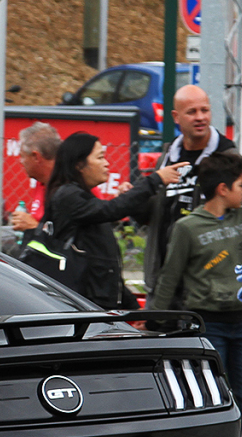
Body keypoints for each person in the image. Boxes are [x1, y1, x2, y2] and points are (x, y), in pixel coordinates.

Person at [149, 151, 242, 427]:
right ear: (222, 189)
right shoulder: (187, 228)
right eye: (241, 185)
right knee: (213, 398)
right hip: (207, 325)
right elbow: (169, 277)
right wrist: (154, 321)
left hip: (241, 323)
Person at [40, 132, 183, 308]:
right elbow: (110, 210)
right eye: (100, 157)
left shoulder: (81, 197)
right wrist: (155, 180)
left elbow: (104, 266)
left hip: (95, 302)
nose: (107, 164)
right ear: (79, 164)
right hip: (83, 305)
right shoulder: (68, 196)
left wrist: (132, 306)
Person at [143, 85, 236, 298]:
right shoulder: (168, 156)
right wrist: (138, 197)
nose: (200, 117)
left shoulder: (227, 156)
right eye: (192, 112)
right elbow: (152, 214)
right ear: (176, 117)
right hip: (163, 283)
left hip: (206, 289)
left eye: (204, 110)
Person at [8, 121, 62, 234]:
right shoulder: (41, 181)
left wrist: (34, 227)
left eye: (22, 156)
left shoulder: (72, 187)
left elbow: (72, 243)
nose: (20, 162)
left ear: (36, 157)